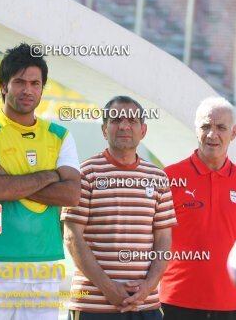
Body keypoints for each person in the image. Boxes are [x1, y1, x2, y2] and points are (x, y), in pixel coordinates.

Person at [0, 43, 81, 320]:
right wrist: (50, 175)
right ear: (3, 86)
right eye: (19, 82)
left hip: (45, 263)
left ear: (42, 88)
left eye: (35, 83)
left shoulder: (60, 135)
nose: (28, 90)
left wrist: (14, 183)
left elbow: (71, 194)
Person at [62, 96, 177, 320]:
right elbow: (72, 237)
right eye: (116, 120)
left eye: (132, 120)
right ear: (104, 129)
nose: (124, 126)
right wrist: (108, 288)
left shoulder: (158, 177)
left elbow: (164, 239)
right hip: (93, 305)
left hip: (145, 305)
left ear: (143, 130)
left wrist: (148, 286)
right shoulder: (85, 173)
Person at [160, 97, 236, 320]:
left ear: (233, 133)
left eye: (220, 127)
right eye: (206, 127)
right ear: (196, 130)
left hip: (233, 306)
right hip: (176, 302)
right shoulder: (169, 177)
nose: (212, 135)